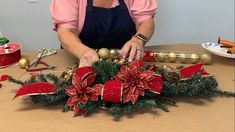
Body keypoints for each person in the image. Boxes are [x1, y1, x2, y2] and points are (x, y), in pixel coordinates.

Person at [50, 0, 157, 67]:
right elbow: (66, 31)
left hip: (126, 61)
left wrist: (138, 39)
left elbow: (146, 21)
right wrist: (83, 53)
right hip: (80, 61)